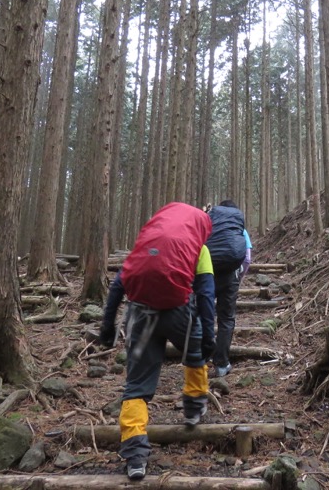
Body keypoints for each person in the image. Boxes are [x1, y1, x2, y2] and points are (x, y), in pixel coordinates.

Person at [99, 202, 215, 481]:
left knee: (136, 386)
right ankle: (193, 405)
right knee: (194, 352)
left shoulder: (147, 243)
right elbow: (206, 295)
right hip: (179, 313)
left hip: (140, 314)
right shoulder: (198, 247)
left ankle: (135, 454)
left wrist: (107, 326)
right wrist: (208, 336)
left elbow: (119, 284)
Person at [205, 199, 249, 378]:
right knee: (226, 319)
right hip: (230, 273)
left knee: (204, 314)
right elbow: (246, 257)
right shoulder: (238, 223)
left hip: (208, 269)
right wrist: (240, 277)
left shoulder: (211, 218)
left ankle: (200, 359)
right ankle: (222, 364)